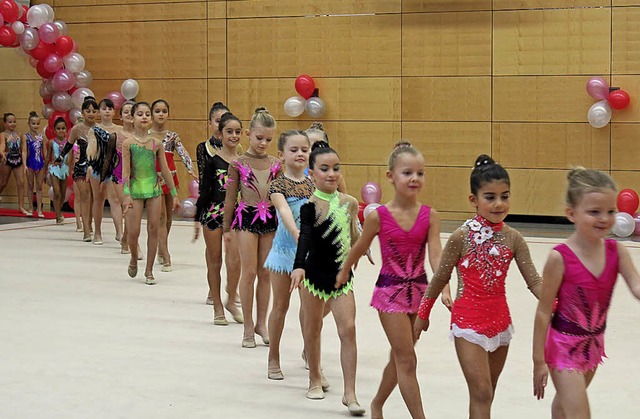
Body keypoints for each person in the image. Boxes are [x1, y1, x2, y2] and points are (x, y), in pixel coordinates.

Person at [414, 154, 542, 419]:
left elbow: (535, 281)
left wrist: (557, 303)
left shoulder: (514, 238)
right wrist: (423, 313)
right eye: (490, 197)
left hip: (500, 322)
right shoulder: (461, 236)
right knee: (481, 391)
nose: (499, 204)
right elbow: (440, 277)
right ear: (474, 199)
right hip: (468, 323)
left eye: (505, 196)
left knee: (487, 393)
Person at [337, 141, 442, 419]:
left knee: (399, 358)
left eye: (420, 173)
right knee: (407, 358)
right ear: (390, 176)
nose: (415, 179)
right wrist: (345, 269)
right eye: (407, 172)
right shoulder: (380, 216)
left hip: (419, 293)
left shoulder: (430, 215)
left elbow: (436, 257)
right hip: (390, 293)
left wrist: (443, 287)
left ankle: (377, 404)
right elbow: (359, 246)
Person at [532, 168, 640, 418]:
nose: (604, 218)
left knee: (564, 407)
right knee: (580, 413)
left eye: (611, 211)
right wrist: (538, 360)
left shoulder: (617, 252)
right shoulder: (560, 258)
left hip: (593, 344)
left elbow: (636, 287)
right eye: (594, 212)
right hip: (562, 346)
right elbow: (543, 312)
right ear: (572, 213)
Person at [290, 141, 366, 416]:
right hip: (313, 278)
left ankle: (350, 393)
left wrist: (363, 247)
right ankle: (314, 378)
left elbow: (354, 234)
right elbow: (306, 239)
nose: (332, 174)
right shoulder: (309, 207)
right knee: (312, 330)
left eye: (336, 168)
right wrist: (299, 266)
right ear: (312, 174)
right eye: (324, 169)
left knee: (348, 330)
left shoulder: (350, 203)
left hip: (341, 277)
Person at [223, 107, 280, 348]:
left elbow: (280, 196)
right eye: (259, 138)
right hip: (246, 217)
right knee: (249, 272)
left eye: (268, 139)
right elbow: (229, 197)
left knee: (265, 273)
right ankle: (247, 325)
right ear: (248, 134)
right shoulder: (238, 163)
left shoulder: (276, 164)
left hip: (270, 220)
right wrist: (226, 229)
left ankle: (261, 323)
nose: (263, 143)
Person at [264, 130, 315, 380]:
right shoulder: (277, 185)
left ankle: (309, 351)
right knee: (281, 306)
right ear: (281, 155)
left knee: (309, 308)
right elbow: (284, 211)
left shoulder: (314, 183)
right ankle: (273, 356)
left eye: (304, 149)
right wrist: (298, 235)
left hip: (309, 255)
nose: (300, 154)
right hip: (285, 252)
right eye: (294, 150)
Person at [121, 101, 180, 285]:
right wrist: (126, 194)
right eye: (140, 114)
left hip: (154, 190)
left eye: (147, 114)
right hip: (136, 190)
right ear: (132, 118)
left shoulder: (157, 144)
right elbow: (125, 172)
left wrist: (174, 193)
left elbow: (164, 169)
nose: (144, 117)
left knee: (154, 229)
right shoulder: (128, 144)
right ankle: (133, 258)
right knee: (133, 231)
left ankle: (149, 270)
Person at [193, 111, 243, 325]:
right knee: (215, 261)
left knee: (236, 260)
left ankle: (231, 297)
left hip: (237, 214)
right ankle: (217, 307)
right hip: (213, 213)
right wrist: (197, 218)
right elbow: (204, 191)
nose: (234, 136)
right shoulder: (213, 161)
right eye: (229, 131)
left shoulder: (243, 163)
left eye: (237, 132)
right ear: (220, 134)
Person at [150, 99, 196, 272]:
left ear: (168, 114)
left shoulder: (172, 136)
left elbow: (183, 152)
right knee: (161, 217)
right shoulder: (147, 135)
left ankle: (162, 248)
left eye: (164, 111)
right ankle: (166, 254)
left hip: (171, 180)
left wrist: (190, 168)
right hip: (153, 180)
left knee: (168, 218)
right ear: (152, 114)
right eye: (157, 111)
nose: (161, 114)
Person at [54, 97, 105, 242]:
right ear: (82, 112)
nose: (91, 113)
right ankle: (86, 230)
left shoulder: (100, 129)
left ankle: (90, 225)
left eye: (94, 111)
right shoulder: (77, 129)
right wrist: (60, 157)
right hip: (81, 166)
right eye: (87, 111)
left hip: (95, 167)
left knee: (95, 198)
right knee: (85, 196)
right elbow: (69, 145)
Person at [96, 98, 125, 243]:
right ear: (99, 111)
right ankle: (97, 232)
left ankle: (119, 232)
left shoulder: (120, 130)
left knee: (114, 199)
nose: (107, 111)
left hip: (114, 167)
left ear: (114, 112)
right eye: (103, 108)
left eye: (109, 108)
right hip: (97, 167)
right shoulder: (95, 129)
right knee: (98, 199)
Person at [305, 122, 347, 193]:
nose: (310, 151)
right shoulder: (297, 173)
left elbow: (345, 198)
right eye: (307, 147)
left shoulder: (336, 175)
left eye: (316, 147)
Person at [0, 112, 28, 214]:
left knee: (21, 183)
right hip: (7, 160)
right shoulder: (3, 134)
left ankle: (21, 206)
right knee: (3, 183)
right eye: (10, 122)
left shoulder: (19, 135)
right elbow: (2, 145)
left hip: (18, 160)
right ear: (5, 123)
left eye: (14, 122)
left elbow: (23, 150)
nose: (12, 124)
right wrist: (2, 153)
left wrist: (24, 164)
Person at [23, 111, 47, 218]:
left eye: (37, 124)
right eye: (33, 124)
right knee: (30, 186)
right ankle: (30, 208)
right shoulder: (25, 137)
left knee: (39, 187)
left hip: (40, 162)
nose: (35, 126)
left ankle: (39, 209)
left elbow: (44, 151)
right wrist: (24, 165)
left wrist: (46, 165)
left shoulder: (41, 137)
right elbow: (24, 151)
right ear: (29, 124)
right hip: (30, 162)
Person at [47, 117, 70, 224]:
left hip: (64, 169)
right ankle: (57, 215)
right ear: (55, 130)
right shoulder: (51, 142)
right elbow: (48, 157)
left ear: (66, 129)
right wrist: (44, 172)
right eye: (58, 128)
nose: (61, 131)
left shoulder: (69, 143)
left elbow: (72, 157)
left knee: (63, 193)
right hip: (54, 169)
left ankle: (59, 211)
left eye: (63, 128)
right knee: (56, 192)